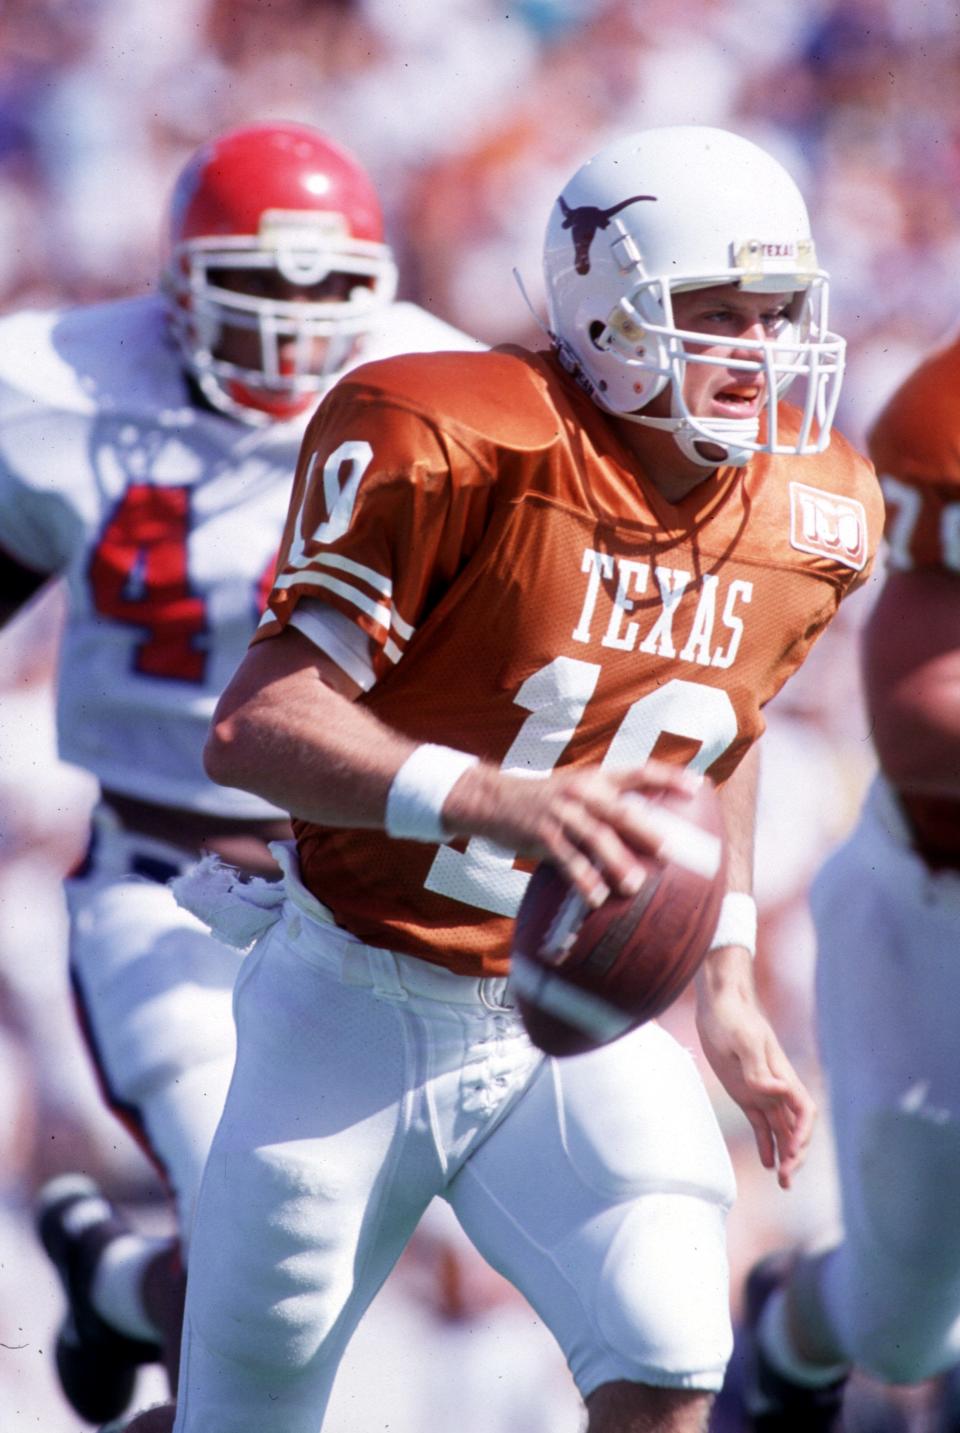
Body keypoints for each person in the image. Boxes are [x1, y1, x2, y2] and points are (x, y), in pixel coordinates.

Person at [132, 124, 882, 1433]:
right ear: (606, 313)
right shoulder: (452, 435)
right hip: (350, 993)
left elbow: (728, 728)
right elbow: (258, 729)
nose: (760, 351)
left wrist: (726, 978)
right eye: (718, 313)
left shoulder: (809, 506)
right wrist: (500, 800)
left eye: (779, 313)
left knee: (669, 1352)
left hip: (574, 1017)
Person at [0, 118, 482, 1427]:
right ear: (176, 284)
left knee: (302, 1264)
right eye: (258, 286)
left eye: (328, 288)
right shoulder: (50, 385)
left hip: (360, 886)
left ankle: (113, 1286)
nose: (293, 324)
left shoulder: (445, 390)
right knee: (258, 1238)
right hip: (164, 871)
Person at [734, 320, 960, 1431]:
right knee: (902, 1322)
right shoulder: (945, 419)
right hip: (935, 912)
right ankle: (787, 1330)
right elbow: (920, 718)